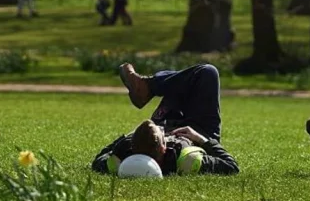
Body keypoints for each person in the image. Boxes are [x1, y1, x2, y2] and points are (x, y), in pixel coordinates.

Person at [92, 63, 239, 176]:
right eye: (161, 133)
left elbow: (98, 161)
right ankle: (149, 86)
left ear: (133, 147)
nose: (161, 129)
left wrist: (129, 137)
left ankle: (147, 87)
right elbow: (231, 166)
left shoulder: (123, 154)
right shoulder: (187, 161)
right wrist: (201, 140)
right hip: (198, 129)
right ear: (163, 148)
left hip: (167, 120)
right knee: (207, 72)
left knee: (177, 83)